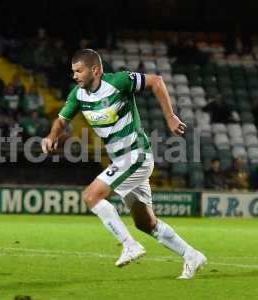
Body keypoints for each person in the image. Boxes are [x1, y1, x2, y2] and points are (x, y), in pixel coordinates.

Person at [41, 49, 206, 279]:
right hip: (121, 160)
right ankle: (192, 255)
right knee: (145, 222)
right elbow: (61, 120)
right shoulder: (78, 95)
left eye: (79, 71)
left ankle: (130, 245)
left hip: (136, 155)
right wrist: (51, 136)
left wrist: (170, 117)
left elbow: (156, 82)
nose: (75, 76)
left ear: (95, 70)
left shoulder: (119, 81)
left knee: (91, 196)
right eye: (73, 72)